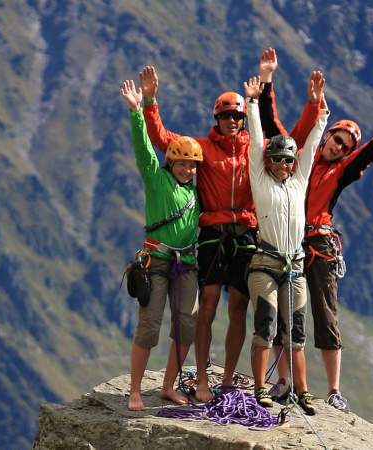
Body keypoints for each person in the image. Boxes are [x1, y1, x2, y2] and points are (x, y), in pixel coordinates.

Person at [261, 59, 373, 411]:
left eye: (345, 146)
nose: (339, 147)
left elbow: (371, 152)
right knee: (281, 312)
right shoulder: (299, 156)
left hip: (317, 243)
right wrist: (268, 82)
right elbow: (273, 127)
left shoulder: (340, 172)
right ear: (328, 134)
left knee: (325, 313)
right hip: (287, 240)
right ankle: (284, 380)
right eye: (337, 139)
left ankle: (334, 390)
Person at [138, 65, 257, 402]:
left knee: (238, 305)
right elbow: (162, 138)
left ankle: (229, 379)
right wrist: (150, 101)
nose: (232, 121)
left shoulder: (255, 149)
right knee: (206, 305)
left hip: (245, 233)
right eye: (226, 116)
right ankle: (203, 378)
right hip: (212, 235)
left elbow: (287, 136)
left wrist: (268, 90)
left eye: (237, 116)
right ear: (216, 119)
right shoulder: (202, 149)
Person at [241, 73, 328, 415]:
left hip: (294, 267)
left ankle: (302, 391)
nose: (283, 164)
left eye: (288, 160)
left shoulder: (299, 182)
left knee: (296, 333)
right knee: (266, 325)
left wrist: (320, 106)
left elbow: (314, 145)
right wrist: (251, 103)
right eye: (276, 159)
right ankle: (261, 387)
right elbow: (256, 140)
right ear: (268, 161)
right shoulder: (259, 179)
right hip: (265, 264)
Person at [119, 79, 202, 411]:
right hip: (157, 261)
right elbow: (143, 150)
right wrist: (138, 111)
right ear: (171, 162)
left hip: (186, 264)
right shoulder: (157, 179)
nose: (187, 168)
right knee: (150, 325)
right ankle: (135, 390)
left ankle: (168, 385)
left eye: (192, 164)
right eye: (182, 162)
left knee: (186, 324)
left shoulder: (197, 194)